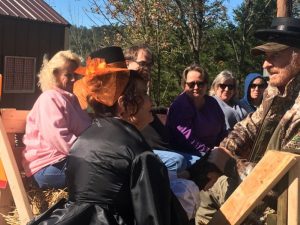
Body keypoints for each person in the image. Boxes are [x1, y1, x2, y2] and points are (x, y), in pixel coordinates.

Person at [28, 56, 189, 225]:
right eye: (143, 94)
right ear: (123, 104)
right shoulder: (138, 154)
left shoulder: (85, 139)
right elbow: (154, 217)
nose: (151, 102)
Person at [196, 16, 300, 224]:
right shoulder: (276, 93)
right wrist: (222, 152)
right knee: (207, 195)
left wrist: (229, 165)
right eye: (266, 55)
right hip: (257, 186)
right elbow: (249, 126)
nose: (266, 64)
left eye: (276, 55)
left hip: (281, 205)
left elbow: (284, 181)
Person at [22, 50, 91, 189]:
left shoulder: (71, 99)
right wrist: (92, 153)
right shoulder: (49, 98)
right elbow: (59, 138)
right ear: (55, 75)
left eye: (75, 75)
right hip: (47, 166)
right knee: (100, 174)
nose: (73, 79)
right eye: (68, 75)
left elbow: (87, 129)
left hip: (65, 160)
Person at [166, 64, 226, 156]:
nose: (196, 87)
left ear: (206, 85)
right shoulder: (180, 105)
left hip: (214, 151)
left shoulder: (212, 103)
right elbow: (187, 139)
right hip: (188, 153)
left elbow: (222, 130)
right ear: (184, 85)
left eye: (200, 83)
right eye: (191, 84)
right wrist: (209, 153)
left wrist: (223, 148)